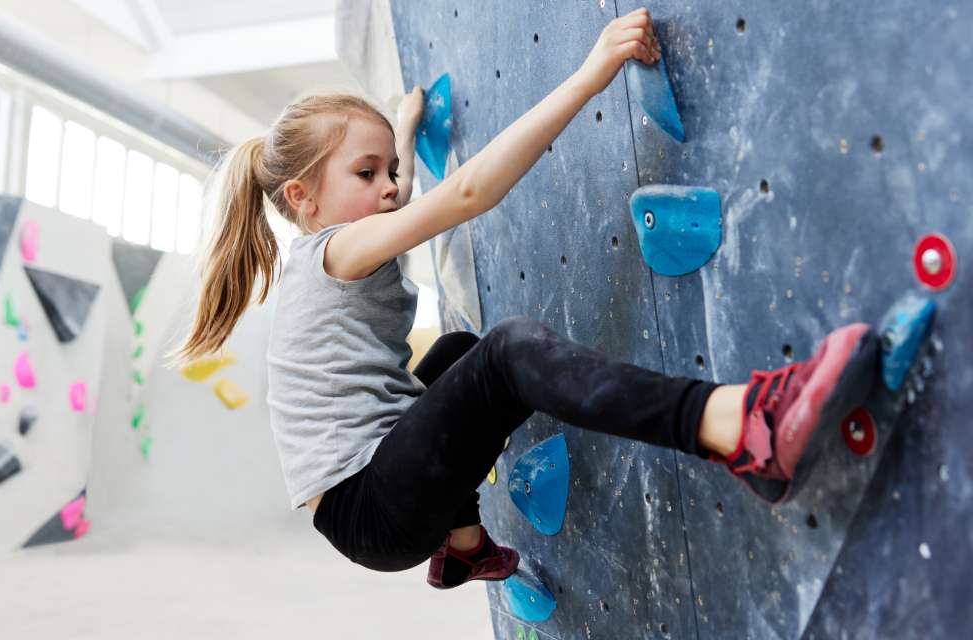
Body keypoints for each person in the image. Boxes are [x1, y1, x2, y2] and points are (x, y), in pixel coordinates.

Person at [173, 7, 879, 590]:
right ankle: (738, 425)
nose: (390, 185)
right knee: (506, 354)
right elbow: (469, 193)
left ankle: (464, 541)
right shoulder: (338, 249)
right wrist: (589, 75)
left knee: (456, 353)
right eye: (368, 171)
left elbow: (406, 198)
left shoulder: (343, 234)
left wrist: (404, 123)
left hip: (372, 493)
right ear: (300, 198)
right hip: (373, 507)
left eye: (391, 168)